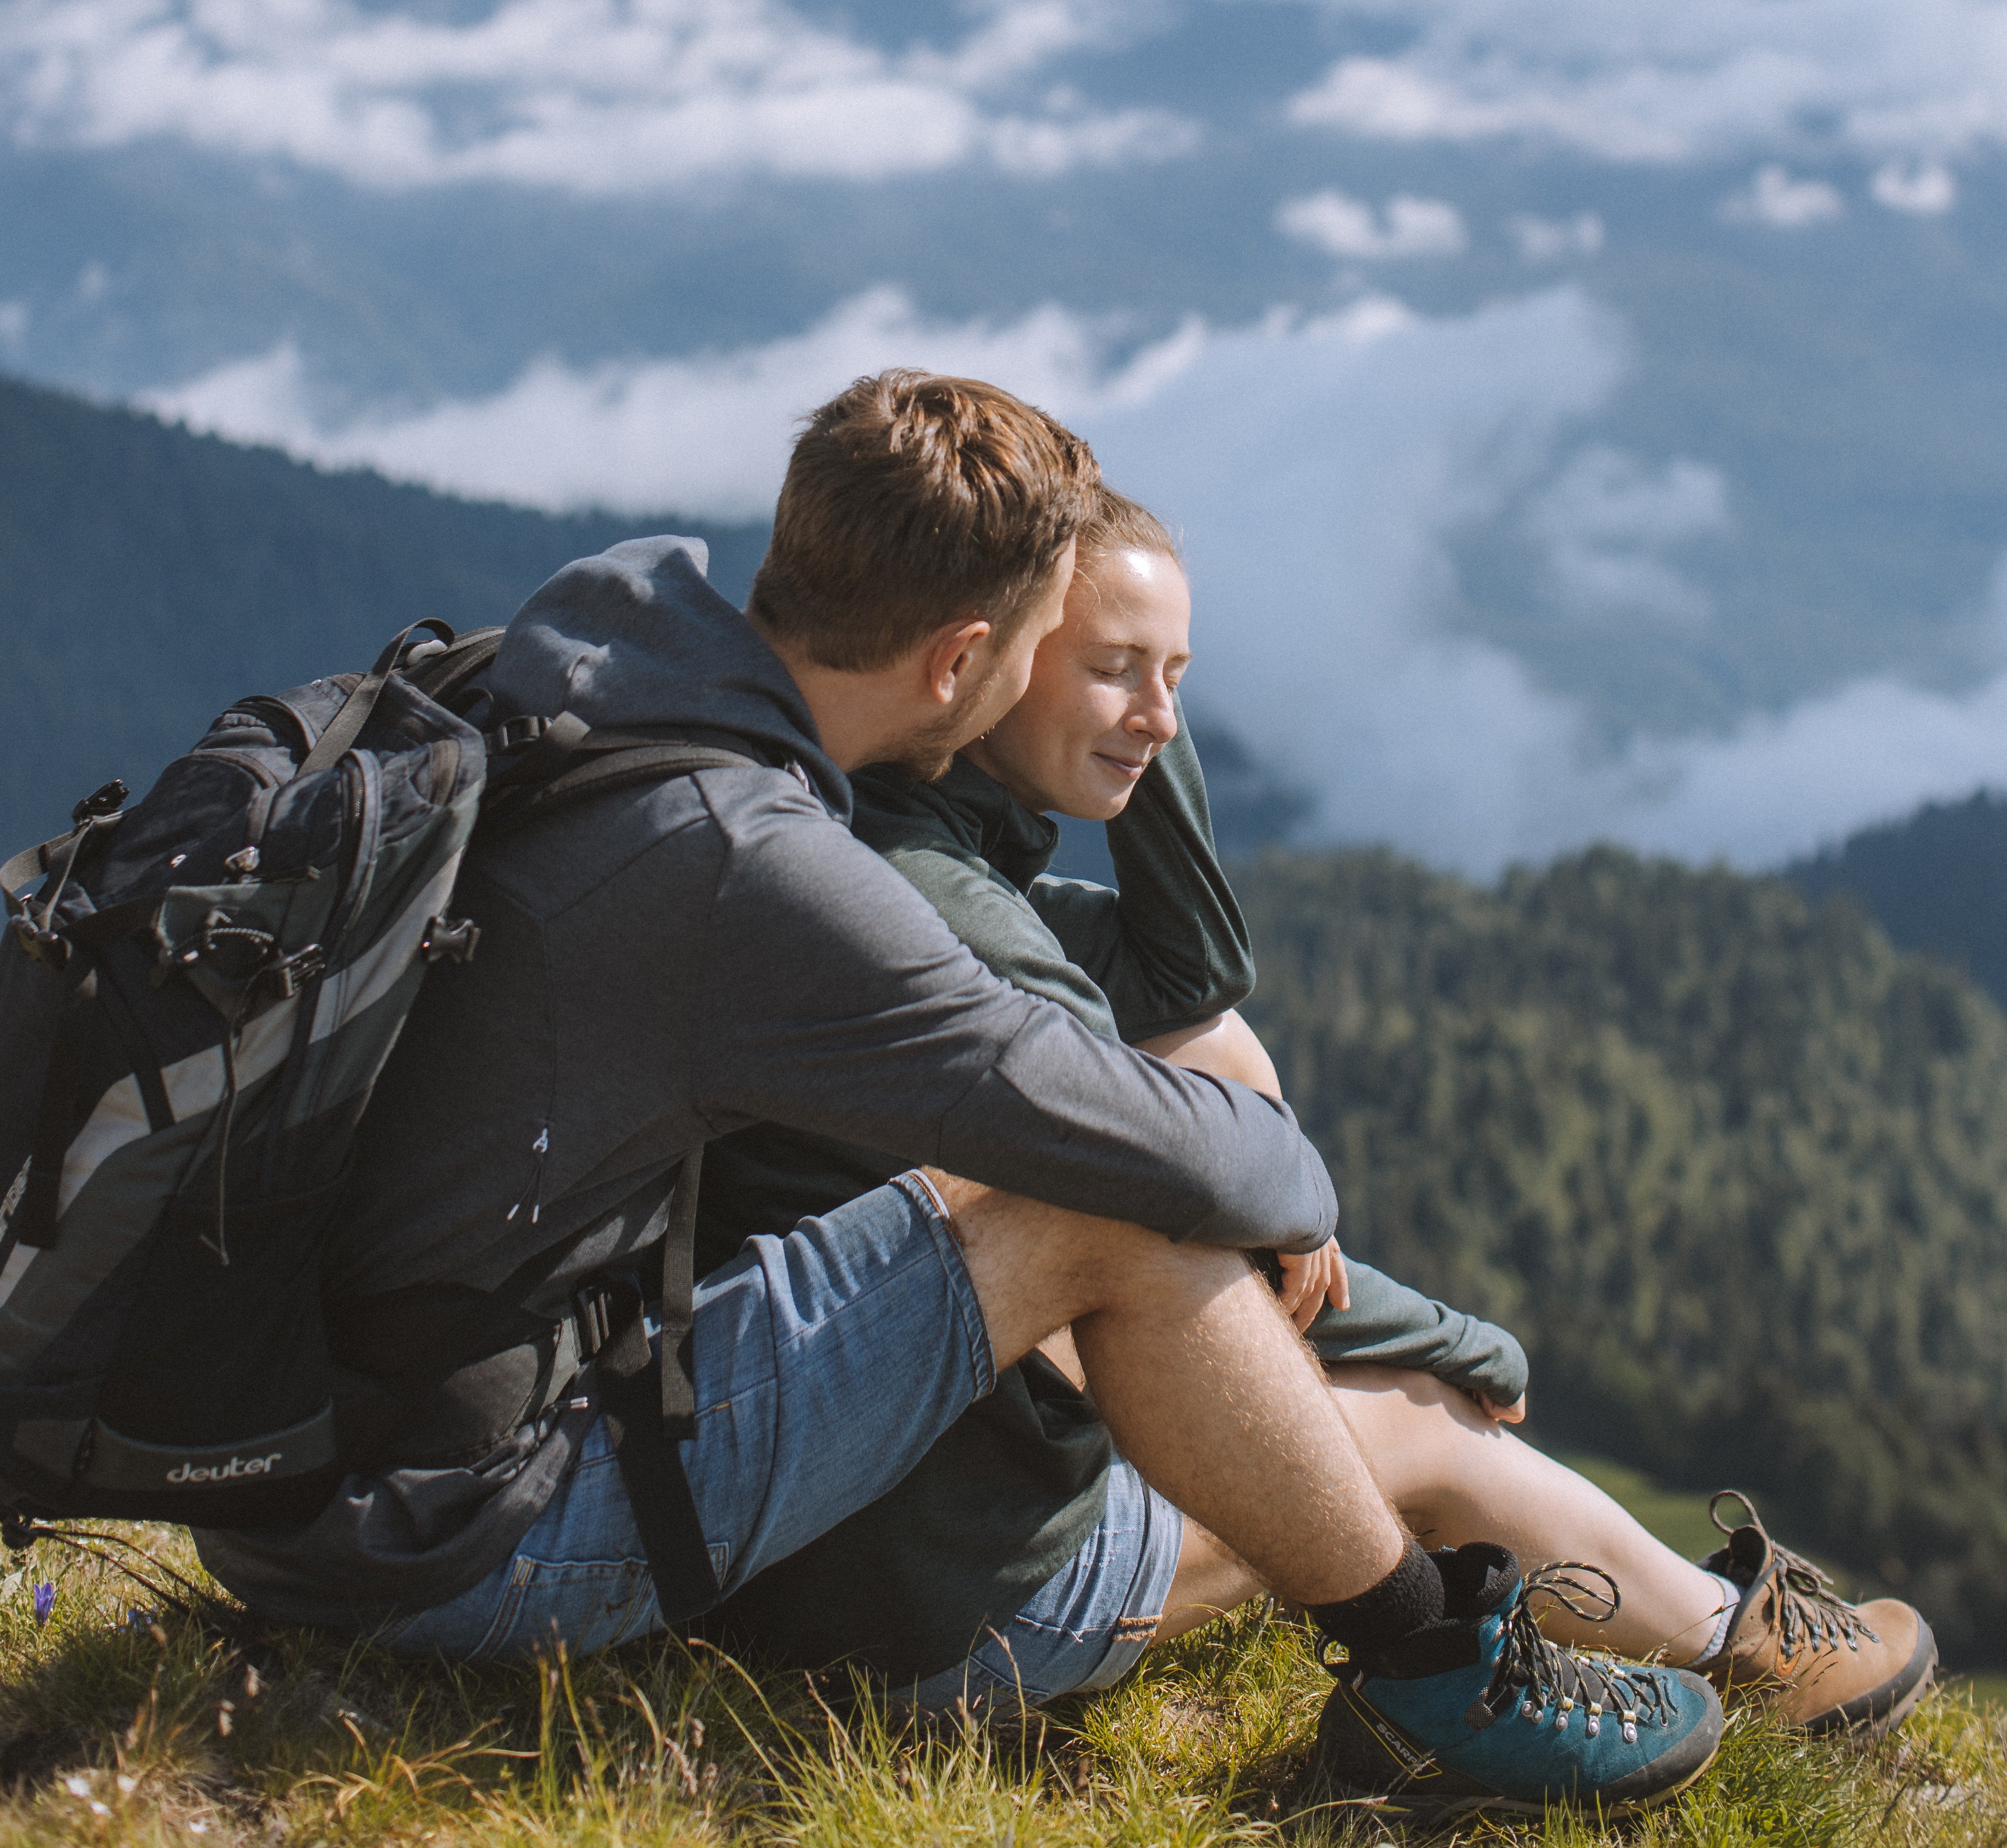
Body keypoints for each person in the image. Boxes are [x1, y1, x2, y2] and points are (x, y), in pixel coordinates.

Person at [194, 372, 1726, 1828]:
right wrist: (1293, 1173)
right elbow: (1112, 1136)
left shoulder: (587, 673)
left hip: (302, 1475)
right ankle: (1430, 1672)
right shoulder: (759, 874)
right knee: (1098, 1209)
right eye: (1047, 644)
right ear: (958, 663)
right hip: (468, 1550)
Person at [696, 487, 1936, 1750]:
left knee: (1213, 1058)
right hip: (930, 1602)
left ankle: (1718, 1626)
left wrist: (1127, 696)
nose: (1162, 714)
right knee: (1430, 1427)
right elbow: (1163, 1193)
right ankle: (1754, 1654)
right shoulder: (949, 912)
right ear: (988, 661)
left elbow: (1192, 978)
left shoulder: (892, 833)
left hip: (836, 1497)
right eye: (1112, 668)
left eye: (1180, 674)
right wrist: (1459, 1340)